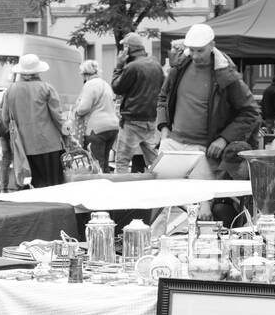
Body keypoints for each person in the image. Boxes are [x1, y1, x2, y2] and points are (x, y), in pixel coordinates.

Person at [156, 22, 260, 202]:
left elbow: (251, 111)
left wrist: (223, 139)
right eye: (192, 50)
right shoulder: (179, 67)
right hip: (173, 142)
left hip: (203, 148)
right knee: (160, 201)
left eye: (200, 50)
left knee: (203, 208)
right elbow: (163, 97)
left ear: (212, 46)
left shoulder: (226, 75)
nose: (195, 55)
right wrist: (164, 130)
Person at [0, 53, 77, 189]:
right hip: (49, 145)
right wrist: (68, 135)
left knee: (29, 189)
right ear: (38, 71)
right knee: (52, 187)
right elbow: (58, 117)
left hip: (23, 148)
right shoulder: (46, 88)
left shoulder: (10, 90)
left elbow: (5, 119)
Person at [110, 33, 163, 173]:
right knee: (155, 162)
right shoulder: (156, 65)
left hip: (132, 121)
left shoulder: (132, 67)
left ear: (127, 48)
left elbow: (117, 88)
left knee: (122, 162)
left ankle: (123, 192)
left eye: (123, 47)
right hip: (151, 119)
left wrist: (118, 66)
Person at [73, 60, 119, 173]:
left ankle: (99, 188)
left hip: (96, 129)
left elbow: (84, 107)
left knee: (96, 164)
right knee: (105, 162)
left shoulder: (90, 84)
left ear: (85, 74)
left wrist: (76, 110)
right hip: (112, 127)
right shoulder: (105, 84)